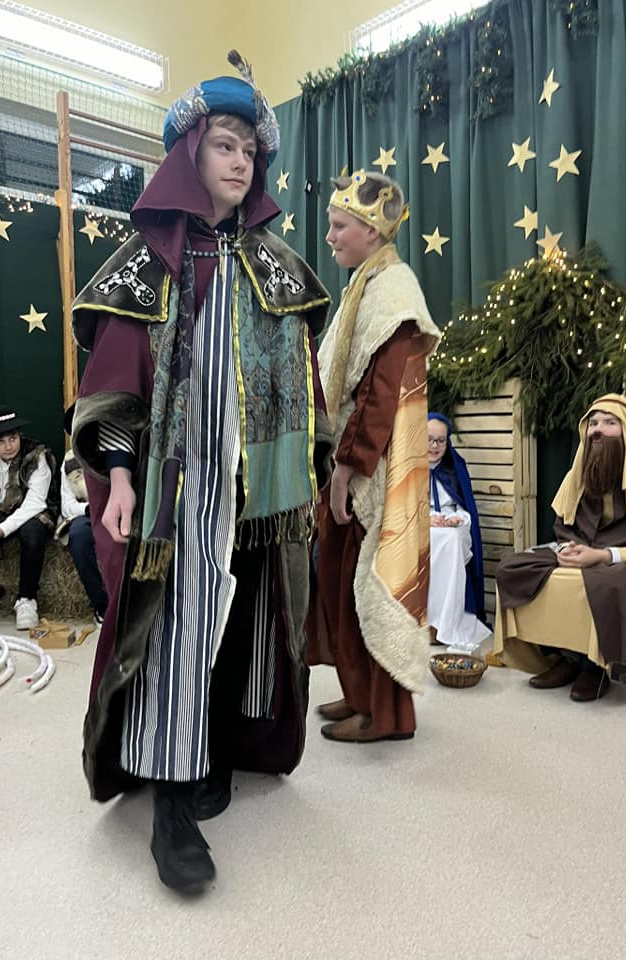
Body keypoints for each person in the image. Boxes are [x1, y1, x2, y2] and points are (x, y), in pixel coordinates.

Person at [70, 51, 332, 895]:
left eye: (249, 150)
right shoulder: (150, 258)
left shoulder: (275, 264)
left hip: (258, 490)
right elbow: (115, 381)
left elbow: (306, 382)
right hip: (176, 488)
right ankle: (173, 802)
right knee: (176, 625)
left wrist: (313, 468)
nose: (239, 161)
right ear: (190, 152)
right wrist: (118, 477)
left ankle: (217, 745)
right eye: (224, 144)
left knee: (243, 620)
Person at [308, 170, 440, 744]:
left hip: (370, 472)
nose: (330, 237)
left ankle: (384, 715)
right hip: (353, 462)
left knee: (366, 584)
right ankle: (359, 693)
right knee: (340, 585)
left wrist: (346, 468)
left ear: (371, 229)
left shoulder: (393, 292)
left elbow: (379, 393)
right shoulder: (365, 284)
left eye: (339, 226)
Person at [494, 394, 626, 703]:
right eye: (593, 423)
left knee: (611, 583)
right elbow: (564, 528)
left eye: (610, 422)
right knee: (513, 568)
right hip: (585, 552)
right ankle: (565, 657)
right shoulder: (576, 479)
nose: (598, 430)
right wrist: (568, 549)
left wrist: (603, 556)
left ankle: (596, 667)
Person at [0, 404, 57, 630]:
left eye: (13, 438)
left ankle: (26, 599)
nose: (8, 446)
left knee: (33, 531)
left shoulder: (36, 456)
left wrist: (2, 530)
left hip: (30, 513)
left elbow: (36, 502)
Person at [427, 413, 490, 652]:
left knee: (452, 540)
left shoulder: (455, 468)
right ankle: (426, 621)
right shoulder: (408, 468)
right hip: (420, 526)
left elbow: (465, 508)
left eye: (440, 441)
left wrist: (458, 518)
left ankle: (447, 622)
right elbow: (400, 508)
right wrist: (425, 519)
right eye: (429, 439)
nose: (434, 446)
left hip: (451, 527)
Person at [56, 405, 108, 625]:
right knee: (78, 535)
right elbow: (67, 505)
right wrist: (89, 509)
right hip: (90, 514)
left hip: (125, 512)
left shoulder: (122, 451)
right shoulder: (69, 461)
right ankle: (101, 604)